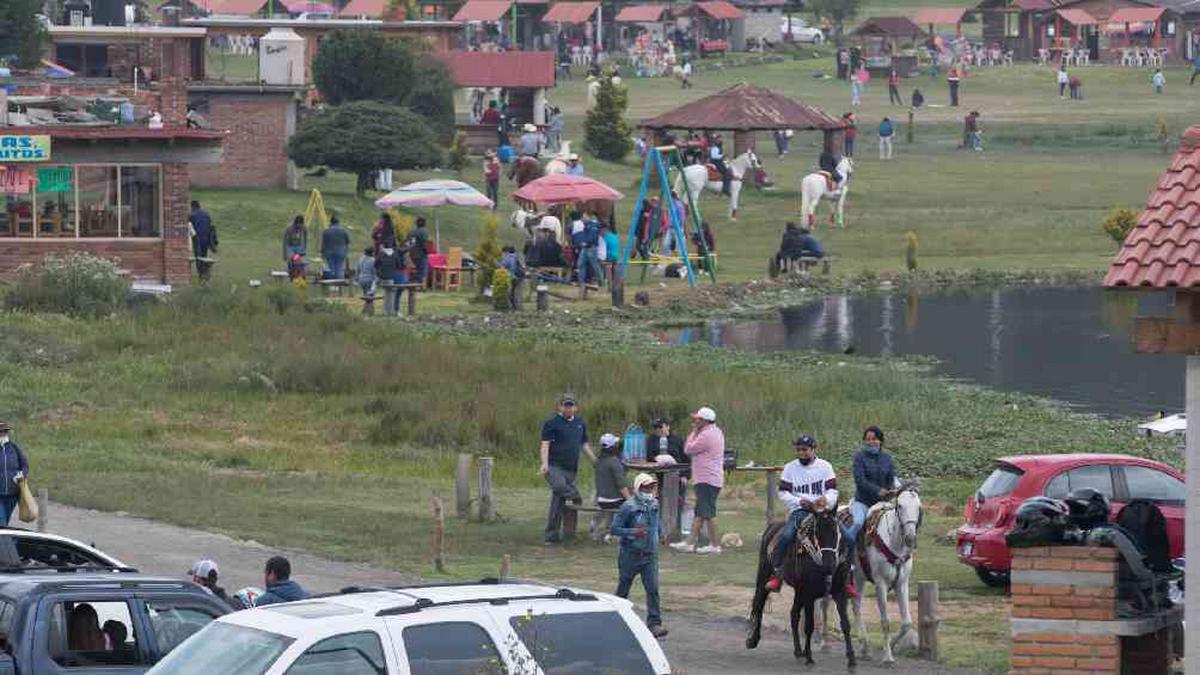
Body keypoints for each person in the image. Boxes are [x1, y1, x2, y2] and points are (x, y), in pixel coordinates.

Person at [764, 435, 839, 592]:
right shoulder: (790, 468)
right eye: (798, 450)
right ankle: (777, 573)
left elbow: (833, 490)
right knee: (786, 535)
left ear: (813, 449)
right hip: (800, 511)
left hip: (823, 511)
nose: (801, 453)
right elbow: (783, 493)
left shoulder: (825, 467)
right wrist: (799, 502)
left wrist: (826, 500)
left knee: (847, 537)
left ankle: (847, 578)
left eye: (804, 450)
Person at [612, 473, 668, 638]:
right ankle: (616, 619)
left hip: (650, 555)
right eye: (645, 487)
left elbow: (657, 521)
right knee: (624, 588)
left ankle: (654, 624)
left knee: (653, 589)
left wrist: (661, 533)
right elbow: (615, 529)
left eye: (651, 487)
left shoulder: (654, 504)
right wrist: (633, 532)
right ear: (638, 488)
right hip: (630, 554)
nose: (649, 490)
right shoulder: (628, 507)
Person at [539, 394, 596, 544]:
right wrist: (544, 464)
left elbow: (584, 444)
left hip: (571, 468)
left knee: (558, 500)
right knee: (560, 487)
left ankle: (558, 535)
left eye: (571, 406)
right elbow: (545, 444)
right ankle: (576, 495)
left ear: (576, 407)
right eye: (565, 405)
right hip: (554, 466)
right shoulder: (551, 423)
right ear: (560, 407)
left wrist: (595, 461)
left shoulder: (580, 423)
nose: (568, 408)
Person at [670, 406, 724, 554]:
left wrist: (694, 432)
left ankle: (714, 545)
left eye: (697, 420)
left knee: (708, 513)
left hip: (707, 479)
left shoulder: (706, 435)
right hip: (708, 478)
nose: (695, 422)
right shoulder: (715, 432)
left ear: (704, 421)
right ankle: (689, 543)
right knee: (700, 512)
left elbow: (688, 449)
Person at [844, 426, 897, 551]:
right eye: (867, 439)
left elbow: (890, 479)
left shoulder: (887, 459)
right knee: (858, 523)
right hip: (863, 502)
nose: (871, 442)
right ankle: (845, 549)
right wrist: (878, 490)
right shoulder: (859, 457)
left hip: (882, 503)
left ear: (880, 441)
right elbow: (860, 481)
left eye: (874, 439)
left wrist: (891, 490)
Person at [593, 433, 630, 541]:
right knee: (628, 503)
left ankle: (606, 530)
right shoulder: (614, 462)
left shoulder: (599, 461)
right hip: (613, 501)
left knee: (613, 505)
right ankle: (614, 532)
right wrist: (631, 500)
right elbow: (621, 485)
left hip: (600, 500)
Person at [0, 422, 29, 525]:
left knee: (5, 521)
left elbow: (25, 465)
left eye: (4, 432)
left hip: (12, 494)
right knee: (1, 522)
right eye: (0, 432)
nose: (3, 434)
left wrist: (21, 475)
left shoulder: (14, 448)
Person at [189, 200, 217, 282]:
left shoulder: (192, 215)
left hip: (197, 238)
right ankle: (205, 273)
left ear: (193, 206)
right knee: (204, 256)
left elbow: (190, 227)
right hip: (206, 238)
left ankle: (201, 275)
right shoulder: (207, 214)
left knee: (198, 256)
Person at [320, 216, 350, 280]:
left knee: (331, 268)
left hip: (329, 253)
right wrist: (346, 252)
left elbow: (323, 244)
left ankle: (331, 282)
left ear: (331, 223)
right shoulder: (344, 231)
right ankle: (338, 282)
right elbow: (347, 242)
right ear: (338, 223)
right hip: (340, 252)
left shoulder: (326, 231)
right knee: (339, 267)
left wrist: (322, 253)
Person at [407, 218, 430, 284]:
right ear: (424, 224)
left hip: (412, 254)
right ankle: (410, 280)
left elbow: (407, 242)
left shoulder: (411, 232)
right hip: (421, 254)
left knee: (418, 270)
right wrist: (427, 251)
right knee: (423, 272)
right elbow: (424, 243)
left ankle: (413, 282)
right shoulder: (424, 231)